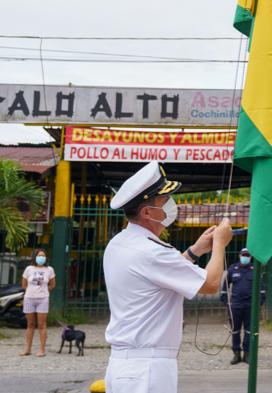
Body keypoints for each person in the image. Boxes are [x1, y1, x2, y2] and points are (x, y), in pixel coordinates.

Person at [103, 161, 232, 393]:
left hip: (124, 364)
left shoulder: (120, 243)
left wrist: (194, 252)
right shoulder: (153, 252)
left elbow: (155, 278)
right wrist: (220, 244)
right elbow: (212, 284)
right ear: (147, 212)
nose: (172, 204)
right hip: (147, 368)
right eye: (164, 201)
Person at [222, 248, 256, 365]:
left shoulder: (254, 270)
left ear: (250, 257)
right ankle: (236, 354)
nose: (245, 257)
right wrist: (226, 301)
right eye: (243, 255)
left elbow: (261, 288)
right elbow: (225, 286)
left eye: (248, 255)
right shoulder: (232, 269)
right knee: (235, 331)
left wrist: (259, 302)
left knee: (249, 331)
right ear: (239, 256)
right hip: (235, 305)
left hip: (250, 305)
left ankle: (247, 354)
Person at [19, 248, 55, 357]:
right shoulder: (29, 269)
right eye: (39, 255)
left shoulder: (49, 270)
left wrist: (43, 292)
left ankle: (42, 350)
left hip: (42, 299)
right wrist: (31, 292)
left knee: (42, 324)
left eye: (43, 256)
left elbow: (52, 285)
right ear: (35, 257)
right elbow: (24, 285)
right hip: (29, 298)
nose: (41, 258)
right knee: (30, 324)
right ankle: (28, 349)